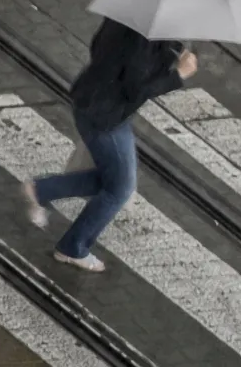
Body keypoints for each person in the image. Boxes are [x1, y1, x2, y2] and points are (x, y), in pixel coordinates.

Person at [22, 19, 197, 272]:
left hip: (91, 98)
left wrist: (170, 50)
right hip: (106, 117)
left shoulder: (127, 17)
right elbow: (135, 90)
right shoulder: (144, 41)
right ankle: (72, 247)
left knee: (112, 180)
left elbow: (99, 49)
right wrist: (178, 75)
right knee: (119, 189)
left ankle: (41, 191)